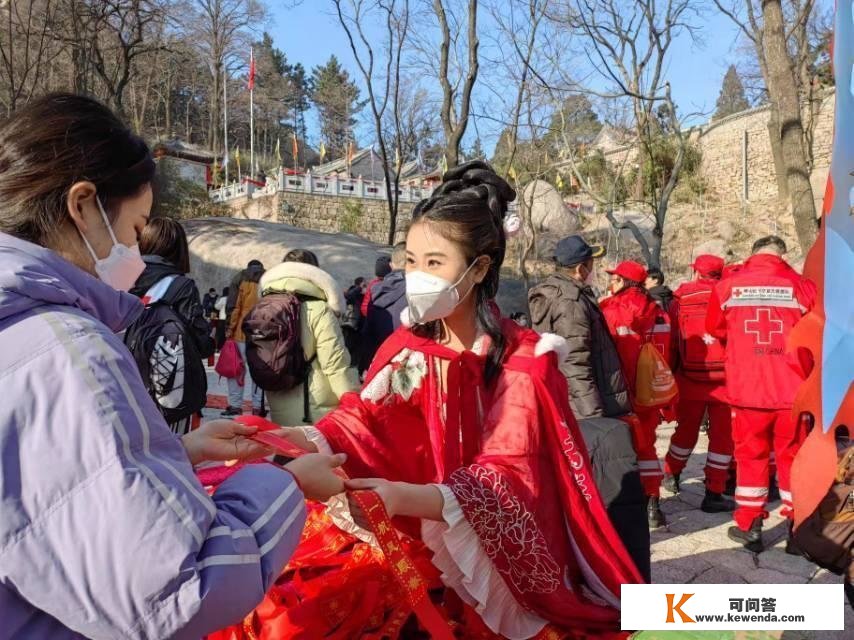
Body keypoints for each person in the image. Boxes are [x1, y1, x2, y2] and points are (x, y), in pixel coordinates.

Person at [0, 93, 348, 639]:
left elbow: (41, 493)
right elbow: (177, 589)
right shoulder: (67, 350)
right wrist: (286, 486)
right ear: (84, 205)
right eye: (137, 230)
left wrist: (175, 451)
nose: (136, 255)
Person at [260, 161, 643, 640]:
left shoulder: (524, 363)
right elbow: (363, 419)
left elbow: (507, 476)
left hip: (492, 558)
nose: (417, 275)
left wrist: (403, 497)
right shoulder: (409, 348)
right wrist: (285, 437)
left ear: (480, 267)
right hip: (424, 541)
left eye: (435, 263)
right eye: (411, 260)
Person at [706, 235, 815, 553]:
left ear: (753, 254)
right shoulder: (802, 286)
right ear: (782, 256)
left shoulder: (728, 286)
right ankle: (799, 531)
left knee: (750, 459)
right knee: (793, 460)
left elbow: (716, 328)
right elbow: (817, 329)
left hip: (747, 389)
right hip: (793, 391)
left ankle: (750, 528)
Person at [528, 235, 631, 420]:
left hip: (568, 402)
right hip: (581, 410)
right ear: (579, 269)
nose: (593, 270)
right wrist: (593, 418)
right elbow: (575, 364)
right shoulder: (570, 302)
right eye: (591, 264)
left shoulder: (556, 292)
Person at [128, 217, 215, 433]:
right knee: (172, 454)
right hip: (165, 389)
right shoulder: (180, 285)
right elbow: (201, 344)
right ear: (180, 249)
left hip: (123, 380)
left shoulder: (120, 278)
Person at [600, 260, 671, 528]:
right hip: (650, 390)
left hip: (620, 391)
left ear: (626, 282)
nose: (611, 283)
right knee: (647, 446)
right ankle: (653, 505)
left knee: (620, 449)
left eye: (616, 279)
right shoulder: (660, 312)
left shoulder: (610, 310)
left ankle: (623, 505)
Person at [663, 254, 734, 513]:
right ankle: (714, 492)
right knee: (722, 438)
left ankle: (672, 474)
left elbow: (672, 343)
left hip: (689, 377)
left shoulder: (680, 301)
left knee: (685, 431)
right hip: (726, 381)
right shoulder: (730, 297)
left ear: (696, 274)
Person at [261, 249, 360, 426]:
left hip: (278, 398)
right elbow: (334, 364)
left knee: (288, 449)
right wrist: (353, 401)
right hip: (313, 408)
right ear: (316, 273)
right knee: (315, 451)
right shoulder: (318, 309)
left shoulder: (265, 307)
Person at [224, 259, 265, 416]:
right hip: (261, 332)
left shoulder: (239, 277)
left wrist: (230, 328)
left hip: (241, 331)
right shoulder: (268, 278)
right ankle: (257, 407)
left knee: (236, 369)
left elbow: (234, 307)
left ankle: (235, 405)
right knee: (260, 371)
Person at [361, 241, 407, 369]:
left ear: (391, 265)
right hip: (404, 364)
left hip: (378, 361)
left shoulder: (375, 289)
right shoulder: (416, 290)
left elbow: (368, 332)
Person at [214, 285, 229, 350]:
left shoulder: (223, 299)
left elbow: (216, 307)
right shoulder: (233, 298)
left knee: (221, 334)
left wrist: (217, 300)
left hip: (222, 319)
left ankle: (220, 347)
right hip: (230, 319)